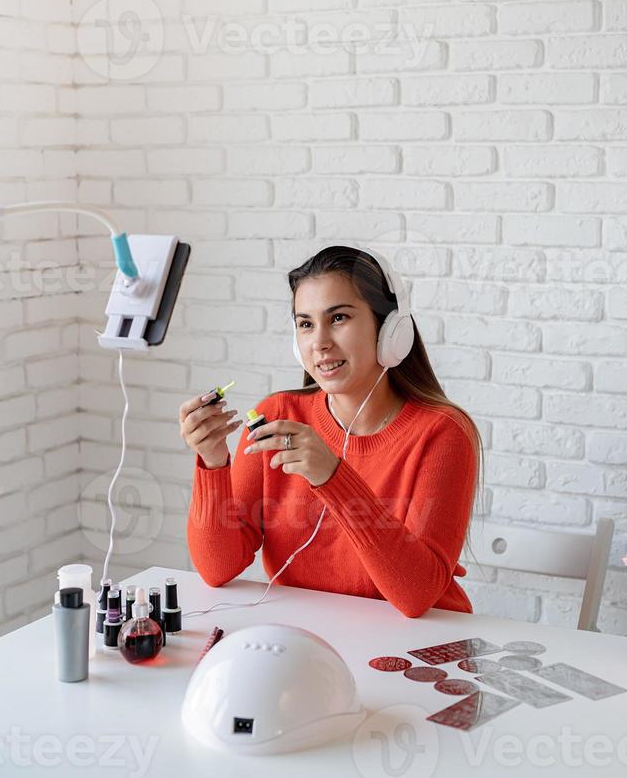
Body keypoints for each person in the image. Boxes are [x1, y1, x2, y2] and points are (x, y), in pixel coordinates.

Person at [179, 246, 484, 618]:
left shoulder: (442, 433)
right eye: (305, 324)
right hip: (311, 640)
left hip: (419, 647)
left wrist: (332, 477)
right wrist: (213, 463)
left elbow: (416, 595)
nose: (319, 342)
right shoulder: (278, 414)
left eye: (338, 317)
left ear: (390, 330)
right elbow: (216, 569)